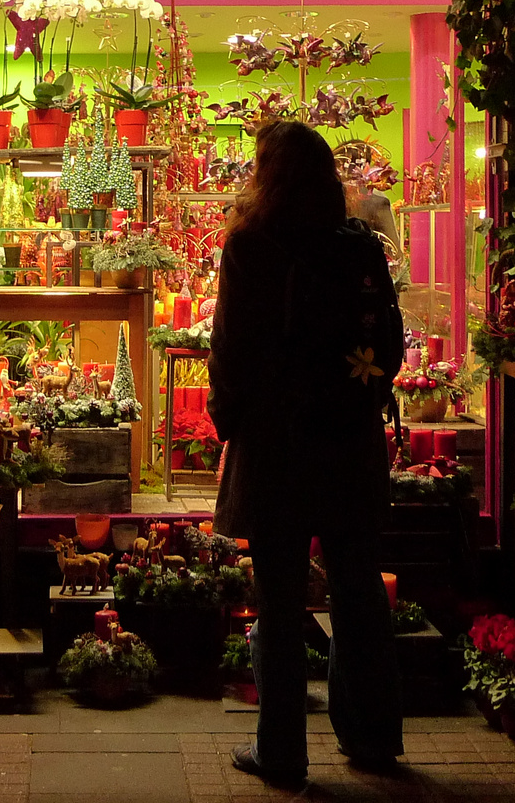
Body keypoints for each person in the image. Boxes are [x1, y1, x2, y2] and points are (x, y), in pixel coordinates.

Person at [207, 119, 404, 785]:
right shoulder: (359, 246)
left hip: (277, 446)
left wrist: (227, 417)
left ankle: (283, 751)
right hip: (349, 440)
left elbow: (231, 347)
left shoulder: (252, 245)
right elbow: (392, 344)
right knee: (356, 586)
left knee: (281, 597)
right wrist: (361, 402)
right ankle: (372, 737)